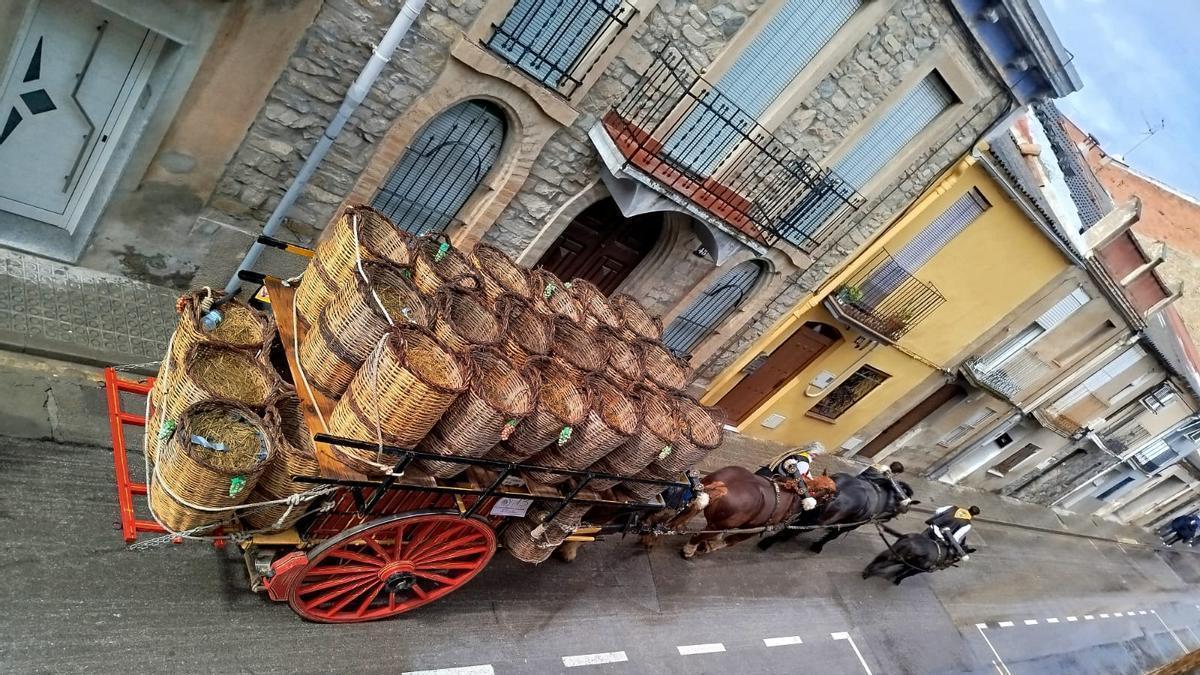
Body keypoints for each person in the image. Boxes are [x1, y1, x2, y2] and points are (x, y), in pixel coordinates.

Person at [756, 442, 825, 481]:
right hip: (771, 480)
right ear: (813, 453)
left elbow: (808, 474)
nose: (816, 458)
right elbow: (797, 479)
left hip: (764, 472)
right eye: (817, 455)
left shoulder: (798, 454)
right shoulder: (804, 462)